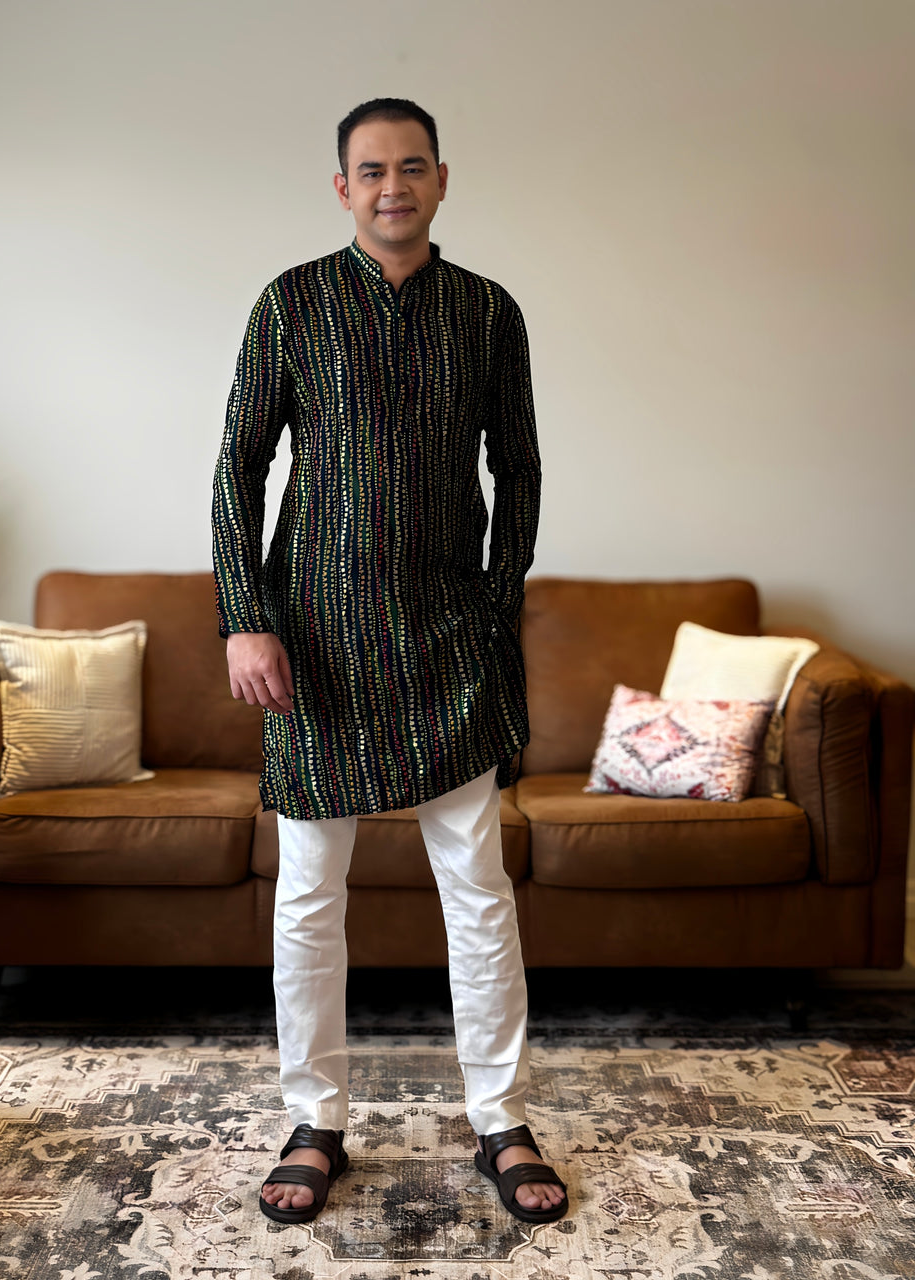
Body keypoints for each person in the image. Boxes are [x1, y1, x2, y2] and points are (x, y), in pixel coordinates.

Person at [212, 97, 567, 1228]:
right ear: (342, 188)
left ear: (441, 179)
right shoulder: (292, 304)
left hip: (445, 647)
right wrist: (243, 615)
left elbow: (518, 466)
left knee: (478, 891)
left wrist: (490, 600)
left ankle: (499, 1116)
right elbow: (236, 468)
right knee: (310, 896)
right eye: (370, 170)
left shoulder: (486, 313)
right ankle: (315, 1117)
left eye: (411, 168)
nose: (391, 186)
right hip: (311, 643)